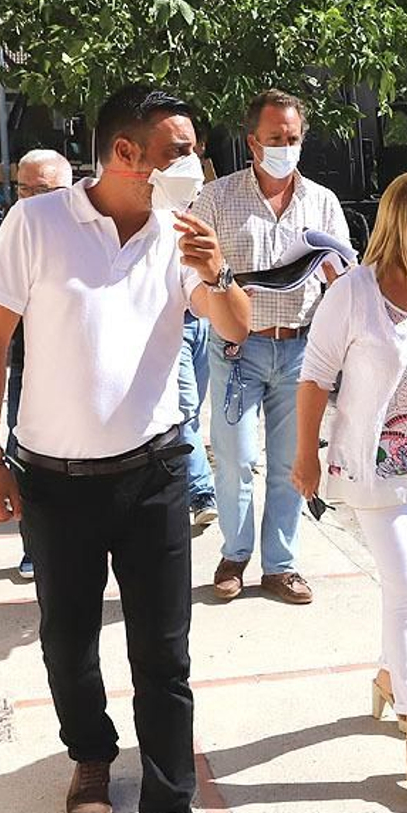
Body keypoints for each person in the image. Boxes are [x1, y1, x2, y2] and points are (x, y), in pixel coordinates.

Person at [0, 85, 252, 813]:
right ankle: (91, 751)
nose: (190, 165)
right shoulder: (40, 223)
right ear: (124, 155)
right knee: (66, 639)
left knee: (165, 658)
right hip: (55, 481)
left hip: (155, 472)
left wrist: (218, 271)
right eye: (176, 150)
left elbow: (234, 327)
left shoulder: (182, 233)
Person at [293, 171, 407, 792]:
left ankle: (387, 677)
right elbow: (315, 377)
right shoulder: (353, 293)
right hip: (375, 470)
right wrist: (305, 457)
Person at [192, 89, 350, 605]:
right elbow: (189, 269)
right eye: (276, 138)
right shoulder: (218, 198)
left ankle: (280, 565)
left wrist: (334, 274)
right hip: (239, 350)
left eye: (294, 137)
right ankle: (234, 555)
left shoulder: (321, 201)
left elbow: (343, 277)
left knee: (290, 462)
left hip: (301, 349)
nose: (286, 145)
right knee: (237, 459)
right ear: (252, 142)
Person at [0, 149, 75, 580]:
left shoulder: (93, 233)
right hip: (28, 366)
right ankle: (35, 548)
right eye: (22, 189)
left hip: (82, 370)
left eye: (40, 190)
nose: (28, 198)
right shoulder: (14, 231)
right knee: (25, 456)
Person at [178, 116, 217, 528]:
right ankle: (200, 491)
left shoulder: (209, 200)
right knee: (186, 409)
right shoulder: (155, 207)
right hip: (175, 326)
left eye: (190, 149)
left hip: (206, 321)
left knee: (194, 408)